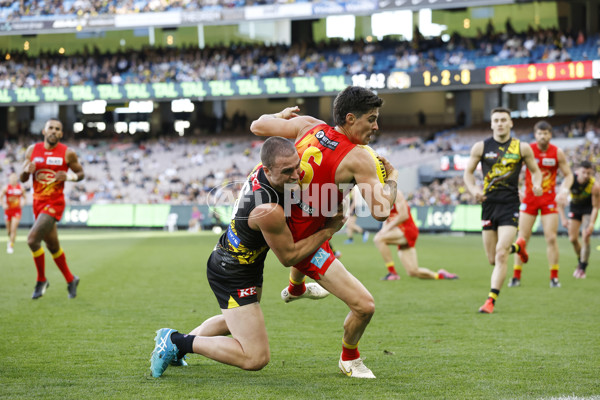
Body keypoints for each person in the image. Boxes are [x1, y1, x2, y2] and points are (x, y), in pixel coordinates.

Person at [149, 137, 345, 378]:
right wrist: (329, 230)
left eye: (297, 165)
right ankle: (176, 341)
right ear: (267, 170)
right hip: (232, 272)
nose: (297, 175)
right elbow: (289, 257)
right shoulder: (268, 209)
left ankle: (177, 348)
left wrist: (282, 117)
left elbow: (265, 129)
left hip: (243, 261)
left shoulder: (263, 168)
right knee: (255, 357)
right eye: (287, 171)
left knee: (233, 318)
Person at [250, 86, 399, 378]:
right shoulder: (358, 158)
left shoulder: (309, 125)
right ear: (351, 118)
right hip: (302, 241)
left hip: (278, 217)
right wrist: (392, 178)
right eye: (371, 119)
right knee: (364, 305)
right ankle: (349, 358)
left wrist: (281, 115)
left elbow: (258, 125)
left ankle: (295, 288)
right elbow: (381, 211)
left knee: (330, 212)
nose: (376, 126)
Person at [464, 107, 542, 314]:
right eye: (496, 120)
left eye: (503, 120)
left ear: (510, 123)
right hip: (488, 205)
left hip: (510, 205)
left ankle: (490, 301)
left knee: (500, 254)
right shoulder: (481, 147)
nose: (499, 123)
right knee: (492, 258)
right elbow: (468, 173)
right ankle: (519, 247)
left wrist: (536, 184)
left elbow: (535, 171)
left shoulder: (522, 148)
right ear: (491, 124)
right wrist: (473, 189)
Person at [20, 118, 84, 299]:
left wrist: (69, 177)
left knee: (32, 240)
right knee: (53, 246)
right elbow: (23, 178)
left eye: (58, 129)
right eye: (51, 128)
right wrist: (26, 171)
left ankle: (41, 280)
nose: (54, 131)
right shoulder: (32, 150)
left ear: (61, 134)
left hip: (54, 204)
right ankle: (71, 279)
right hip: (38, 204)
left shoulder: (67, 153)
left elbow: (81, 173)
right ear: (44, 131)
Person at [509, 121, 573, 288]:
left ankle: (554, 277)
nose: (542, 136)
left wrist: (564, 190)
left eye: (545, 133)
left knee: (551, 238)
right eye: (539, 133)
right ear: (535, 134)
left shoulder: (557, 153)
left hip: (549, 199)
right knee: (522, 238)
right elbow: (512, 171)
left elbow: (568, 175)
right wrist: (516, 188)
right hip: (529, 198)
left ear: (550, 135)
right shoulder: (527, 150)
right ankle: (516, 276)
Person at [373, 190, 458, 281]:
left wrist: (386, 229)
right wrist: (383, 229)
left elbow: (404, 215)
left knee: (378, 239)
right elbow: (386, 218)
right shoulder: (381, 198)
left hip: (407, 230)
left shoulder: (396, 193)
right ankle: (440, 275)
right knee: (413, 272)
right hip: (399, 231)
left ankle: (392, 273)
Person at [558, 161, 600, 279]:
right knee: (572, 238)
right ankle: (581, 259)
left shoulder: (595, 186)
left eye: (589, 173)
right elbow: (560, 202)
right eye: (583, 172)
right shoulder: (571, 181)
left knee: (586, 236)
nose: (586, 175)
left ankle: (582, 268)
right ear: (578, 171)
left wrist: (592, 224)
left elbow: (596, 207)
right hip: (575, 208)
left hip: (588, 210)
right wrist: (563, 219)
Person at [1, 172, 26, 254]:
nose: (13, 179)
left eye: (15, 177)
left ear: (17, 179)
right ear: (9, 179)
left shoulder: (20, 188)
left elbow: (25, 198)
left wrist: (23, 203)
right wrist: (3, 204)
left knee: (13, 229)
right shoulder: (6, 188)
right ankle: (10, 240)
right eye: (12, 178)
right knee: (8, 231)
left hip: (17, 211)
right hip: (8, 210)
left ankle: (11, 245)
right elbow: (0, 198)